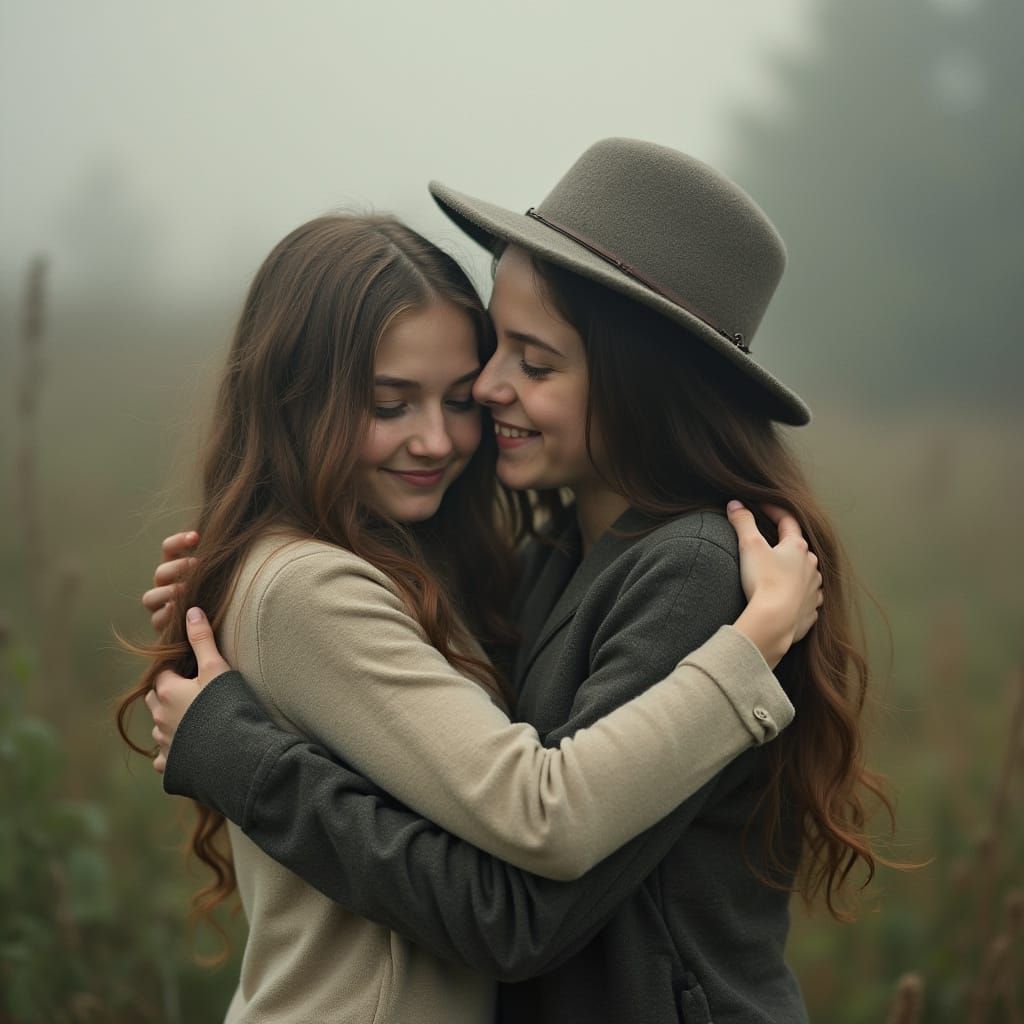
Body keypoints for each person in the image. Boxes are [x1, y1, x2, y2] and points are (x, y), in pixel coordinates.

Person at [120, 204, 823, 1023]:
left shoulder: (687, 569)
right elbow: (518, 830)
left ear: (639, 380)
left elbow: (520, 891)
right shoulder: (517, 567)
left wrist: (236, 747)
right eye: (392, 404)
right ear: (295, 398)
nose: (476, 407)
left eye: (529, 364)